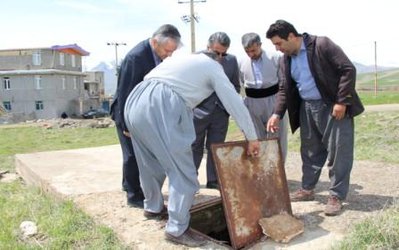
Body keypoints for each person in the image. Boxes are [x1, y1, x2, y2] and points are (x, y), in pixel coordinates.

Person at [124, 51, 260, 247]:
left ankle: (152, 207)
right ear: (217, 60)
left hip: (136, 98)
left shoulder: (180, 58)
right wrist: (252, 136)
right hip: (162, 102)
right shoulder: (213, 66)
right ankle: (177, 229)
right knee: (183, 171)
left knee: (149, 163)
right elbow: (233, 101)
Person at [265, 20, 364, 216]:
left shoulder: (322, 45)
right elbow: (284, 89)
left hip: (333, 107)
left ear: (291, 36)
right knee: (310, 151)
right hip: (306, 107)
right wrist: (277, 114)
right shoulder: (286, 58)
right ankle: (307, 189)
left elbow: (348, 70)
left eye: (279, 43)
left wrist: (341, 101)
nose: (277, 48)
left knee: (338, 152)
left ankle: (336, 196)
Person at [110, 24, 181, 208]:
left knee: (145, 155)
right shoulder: (136, 58)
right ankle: (133, 195)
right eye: (167, 50)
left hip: (143, 114)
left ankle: (136, 188)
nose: (169, 55)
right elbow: (125, 91)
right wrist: (126, 125)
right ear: (155, 42)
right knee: (132, 155)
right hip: (126, 113)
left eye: (172, 51)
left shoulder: (157, 55)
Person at [192, 32, 240, 190]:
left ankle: (213, 180)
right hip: (198, 112)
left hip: (220, 113)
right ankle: (191, 180)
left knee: (216, 146)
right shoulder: (194, 59)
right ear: (208, 46)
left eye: (223, 53)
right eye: (216, 52)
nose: (219, 56)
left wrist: (228, 107)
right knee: (194, 147)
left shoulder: (232, 61)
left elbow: (235, 86)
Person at [239, 32, 288, 161]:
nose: (251, 54)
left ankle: (279, 171)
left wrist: (280, 106)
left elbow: (283, 81)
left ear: (260, 45)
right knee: (255, 137)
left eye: (253, 50)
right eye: (247, 51)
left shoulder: (276, 58)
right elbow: (241, 82)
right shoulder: (241, 62)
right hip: (252, 102)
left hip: (273, 99)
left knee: (276, 137)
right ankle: (260, 171)